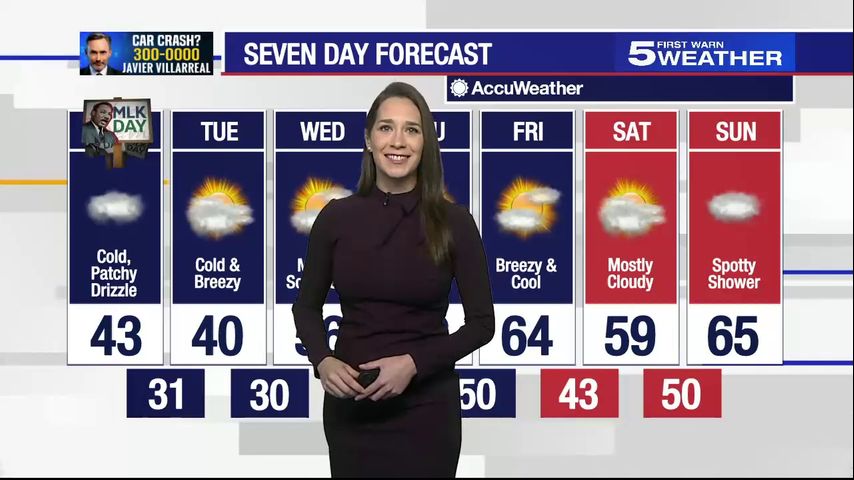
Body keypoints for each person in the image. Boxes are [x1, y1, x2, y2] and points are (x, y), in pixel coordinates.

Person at [292, 81, 495, 477]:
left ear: (425, 143)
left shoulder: (454, 222)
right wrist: (323, 360)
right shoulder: (336, 218)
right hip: (352, 411)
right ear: (369, 139)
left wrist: (414, 364)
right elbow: (306, 308)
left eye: (411, 130)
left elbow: (482, 324)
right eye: (386, 128)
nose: (398, 141)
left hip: (426, 413)